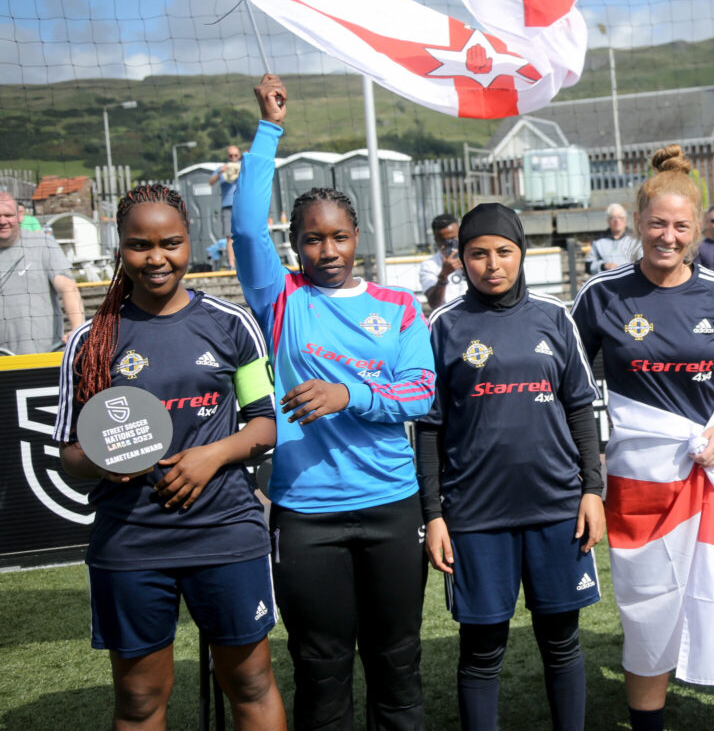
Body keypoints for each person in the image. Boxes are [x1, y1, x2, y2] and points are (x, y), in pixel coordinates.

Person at [233, 75, 438, 730]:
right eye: (313, 239)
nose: (328, 251)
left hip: (389, 507)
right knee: (321, 671)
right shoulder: (282, 299)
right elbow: (243, 228)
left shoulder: (400, 307)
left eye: (339, 237)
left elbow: (420, 392)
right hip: (306, 516)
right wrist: (269, 129)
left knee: (397, 664)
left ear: (357, 238)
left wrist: (350, 393)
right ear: (295, 245)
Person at [54, 184, 286, 730]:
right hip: (131, 540)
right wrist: (102, 463)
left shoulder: (232, 325)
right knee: (138, 702)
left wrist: (211, 456)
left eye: (170, 243)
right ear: (119, 250)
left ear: (188, 244)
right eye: (140, 245)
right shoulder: (90, 340)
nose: (156, 258)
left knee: (251, 684)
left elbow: (266, 424)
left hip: (226, 531)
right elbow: (70, 451)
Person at [572, 144, 714, 731]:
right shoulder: (602, 295)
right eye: (657, 224)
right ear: (638, 224)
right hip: (640, 486)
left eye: (680, 225)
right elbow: (570, 379)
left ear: (697, 228)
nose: (668, 235)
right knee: (650, 614)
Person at [419, 202, 604, 731]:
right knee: (482, 649)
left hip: (556, 509)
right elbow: (429, 428)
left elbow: (579, 409)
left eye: (503, 251)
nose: (491, 264)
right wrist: (434, 514)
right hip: (475, 516)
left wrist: (593, 490)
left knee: (561, 640)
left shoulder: (553, 316)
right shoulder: (445, 326)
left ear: (521, 253)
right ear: (460, 258)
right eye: (478, 253)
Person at [0, 189, 84, 353]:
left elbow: (68, 288)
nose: (2, 221)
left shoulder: (43, 244)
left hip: (42, 355)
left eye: (8, 215)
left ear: (20, 215)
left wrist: (77, 330)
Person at [420, 212, 465, 310]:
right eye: (444, 240)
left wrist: (467, 269)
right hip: (448, 317)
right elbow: (435, 304)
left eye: (453, 238)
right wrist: (443, 275)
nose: (450, 243)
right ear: (436, 240)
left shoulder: (473, 257)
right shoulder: (429, 265)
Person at [210, 145, 242, 269]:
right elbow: (211, 182)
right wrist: (220, 172)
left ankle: (244, 263)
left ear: (238, 156)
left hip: (241, 205)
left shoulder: (243, 168)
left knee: (244, 235)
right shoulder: (222, 169)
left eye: (235, 155)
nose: (233, 158)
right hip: (227, 206)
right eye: (230, 155)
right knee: (229, 237)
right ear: (227, 156)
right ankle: (231, 264)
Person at [586, 203, 639, 274]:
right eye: (613, 218)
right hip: (607, 282)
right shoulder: (599, 241)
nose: (617, 220)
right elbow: (589, 266)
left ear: (625, 219)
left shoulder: (635, 239)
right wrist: (603, 266)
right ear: (608, 220)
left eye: (620, 217)